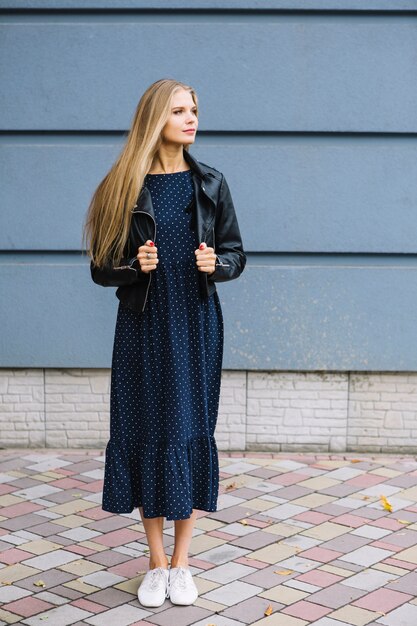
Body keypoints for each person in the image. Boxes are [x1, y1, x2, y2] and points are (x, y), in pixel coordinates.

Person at [82, 78, 246, 608]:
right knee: (148, 430)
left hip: (196, 323)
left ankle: (183, 564)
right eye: (179, 110)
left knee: (190, 430)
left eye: (194, 109)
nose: (191, 118)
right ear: (156, 119)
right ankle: (154, 564)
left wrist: (215, 265)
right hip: (143, 327)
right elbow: (100, 268)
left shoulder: (212, 183)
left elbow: (237, 254)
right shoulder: (124, 186)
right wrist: (134, 268)